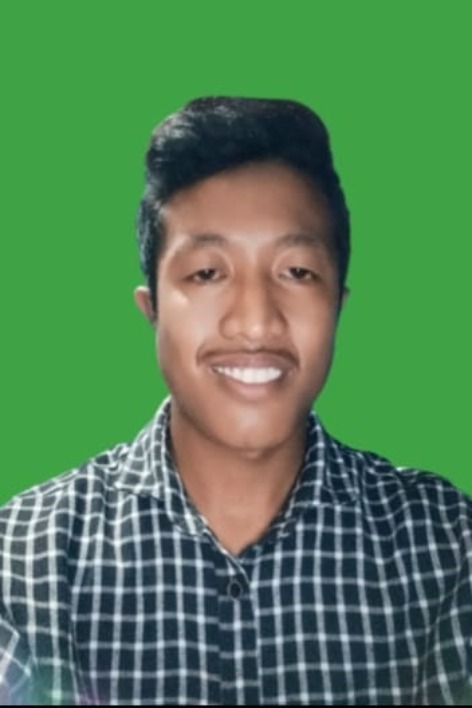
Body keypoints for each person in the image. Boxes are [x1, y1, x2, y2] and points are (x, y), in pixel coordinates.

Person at [0, 97, 470, 705]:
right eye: (206, 273)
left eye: (297, 272)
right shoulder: (22, 562)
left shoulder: (446, 546)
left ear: (338, 306)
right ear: (151, 308)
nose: (255, 322)